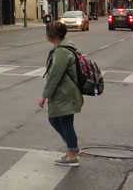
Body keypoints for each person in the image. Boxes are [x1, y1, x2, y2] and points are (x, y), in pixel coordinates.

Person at [40, 21, 84, 166]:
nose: (45, 34)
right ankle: (72, 150)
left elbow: (54, 76)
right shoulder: (65, 47)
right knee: (61, 121)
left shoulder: (61, 52)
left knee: (62, 122)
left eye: (47, 31)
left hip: (65, 93)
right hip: (66, 92)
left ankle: (72, 154)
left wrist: (44, 95)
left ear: (53, 34)